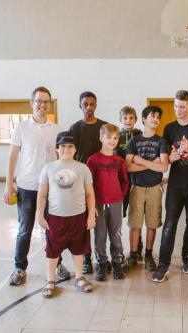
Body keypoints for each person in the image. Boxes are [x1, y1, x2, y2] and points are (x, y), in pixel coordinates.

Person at [5, 87, 71, 286]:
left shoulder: (56, 129)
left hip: (51, 189)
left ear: (50, 104)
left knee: (52, 229)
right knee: (25, 229)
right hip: (26, 187)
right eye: (38, 101)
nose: (42, 105)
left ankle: (57, 265)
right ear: (31, 103)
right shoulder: (21, 128)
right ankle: (19, 268)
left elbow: (62, 158)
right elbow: (13, 156)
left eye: (46, 102)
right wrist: (9, 183)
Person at [151, 90, 188, 283]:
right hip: (175, 183)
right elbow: (165, 157)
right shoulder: (169, 128)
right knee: (169, 224)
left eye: (182, 107)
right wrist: (172, 157)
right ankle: (163, 265)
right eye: (176, 106)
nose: (178, 110)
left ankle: (187, 258)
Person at [37, 132, 96, 297]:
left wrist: (91, 216)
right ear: (57, 148)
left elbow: (90, 194)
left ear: (75, 149)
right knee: (52, 250)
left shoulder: (83, 168)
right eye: (63, 146)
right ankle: (50, 280)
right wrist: (40, 216)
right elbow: (42, 195)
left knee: (78, 249)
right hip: (55, 217)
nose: (66, 149)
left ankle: (79, 276)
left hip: (79, 217)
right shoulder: (48, 168)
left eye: (70, 146)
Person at [124, 106, 169, 272]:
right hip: (137, 188)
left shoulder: (161, 141)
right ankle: (133, 255)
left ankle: (149, 254)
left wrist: (140, 161)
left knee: (151, 223)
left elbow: (163, 167)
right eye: (152, 116)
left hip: (155, 188)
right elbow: (128, 167)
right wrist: (152, 164)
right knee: (134, 224)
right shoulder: (134, 141)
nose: (156, 119)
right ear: (143, 119)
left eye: (158, 116)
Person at [69, 91, 108, 274]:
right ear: (80, 105)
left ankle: (102, 257)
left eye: (92, 104)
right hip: (81, 182)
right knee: (84, 221)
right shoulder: (75, 128)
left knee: (100, 222)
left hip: (101, 181)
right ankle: (86, 257)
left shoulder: (104, 127)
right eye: (85, 104)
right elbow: (70, 155)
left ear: (96, 105)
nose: (89, 107)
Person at [87, 124, 129, 281]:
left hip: (116, 203)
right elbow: (89, 185)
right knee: (100, 236)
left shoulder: (119, 161)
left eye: (115, 138)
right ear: (101, 138)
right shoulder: (93, 160)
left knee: (116, 235)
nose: (112, 140)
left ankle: (117, 263)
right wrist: (93, 205)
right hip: (98, 204)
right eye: (109, 137)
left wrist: (119, 197)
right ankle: (102, 264)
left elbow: (125, 182)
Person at [114, 106, 144, 260]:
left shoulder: (140, 135)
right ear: (120, 119)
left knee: (136, 215)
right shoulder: (116, 136)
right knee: (118, 216)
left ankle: (137, 246)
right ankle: (117, 249)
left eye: (131, 118)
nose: (128, 121)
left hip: (136, 179)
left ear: (135, 119)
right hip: (120, 182)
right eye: (125, 118)